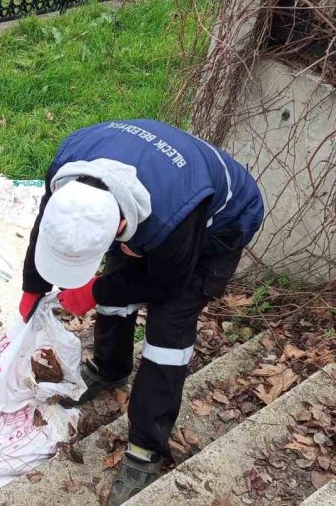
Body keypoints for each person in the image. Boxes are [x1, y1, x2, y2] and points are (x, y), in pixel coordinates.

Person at [20, 119, 264, 505]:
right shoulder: (68, 175)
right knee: (118, 288)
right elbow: (45, 227)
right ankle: (110, 368)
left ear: (119, 224)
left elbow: (165, 282)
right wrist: (33, 284)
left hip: (218, 226)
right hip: (152, 196)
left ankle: (146, 446)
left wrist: (94, 289)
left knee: (169, 330)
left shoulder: (175, 217)